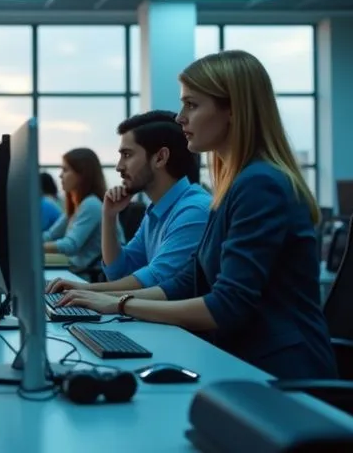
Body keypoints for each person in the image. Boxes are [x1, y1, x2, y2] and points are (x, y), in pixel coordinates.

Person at [58, 50, 337, 380]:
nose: (180, 118)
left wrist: (119, 304)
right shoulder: (232, 187)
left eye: (191, 105)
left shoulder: (259, 184)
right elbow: (185, 283)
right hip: (240, 359)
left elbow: (226, 306)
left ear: (232, 110)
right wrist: (99, 297)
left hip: (280, 373)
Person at [47, 111, 210, 293]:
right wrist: (109, 216)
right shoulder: (156, 210)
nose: (119, 167)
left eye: (127, 155)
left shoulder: (194, 210)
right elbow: (118, 272)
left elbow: (154, 280)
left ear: (160, 158)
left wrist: (86, 290)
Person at [42, 148, 122, 270]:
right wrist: (24, 241)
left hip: (90, 274)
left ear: (82, 175)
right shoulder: (79, 204)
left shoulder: (91, 204)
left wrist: (32, 247)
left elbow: (70, 245)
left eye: (65, 170)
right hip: (77, 269)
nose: (60, 175)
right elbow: (51, 235)